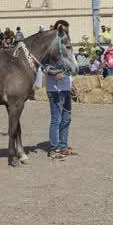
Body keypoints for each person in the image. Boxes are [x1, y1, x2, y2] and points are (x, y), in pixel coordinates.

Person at [44, 19, 76, 159]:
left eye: (68, 31)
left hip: (66, 87)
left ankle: (63, 146)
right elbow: (42, 66)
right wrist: (53, 73)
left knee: (67, 118)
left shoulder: (66, 46)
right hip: (54, 89)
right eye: (64, 31)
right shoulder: (49, 48)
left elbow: (71, 64)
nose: (67, 33)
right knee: (56, 119)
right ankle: (53, 149)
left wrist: (73, 83)